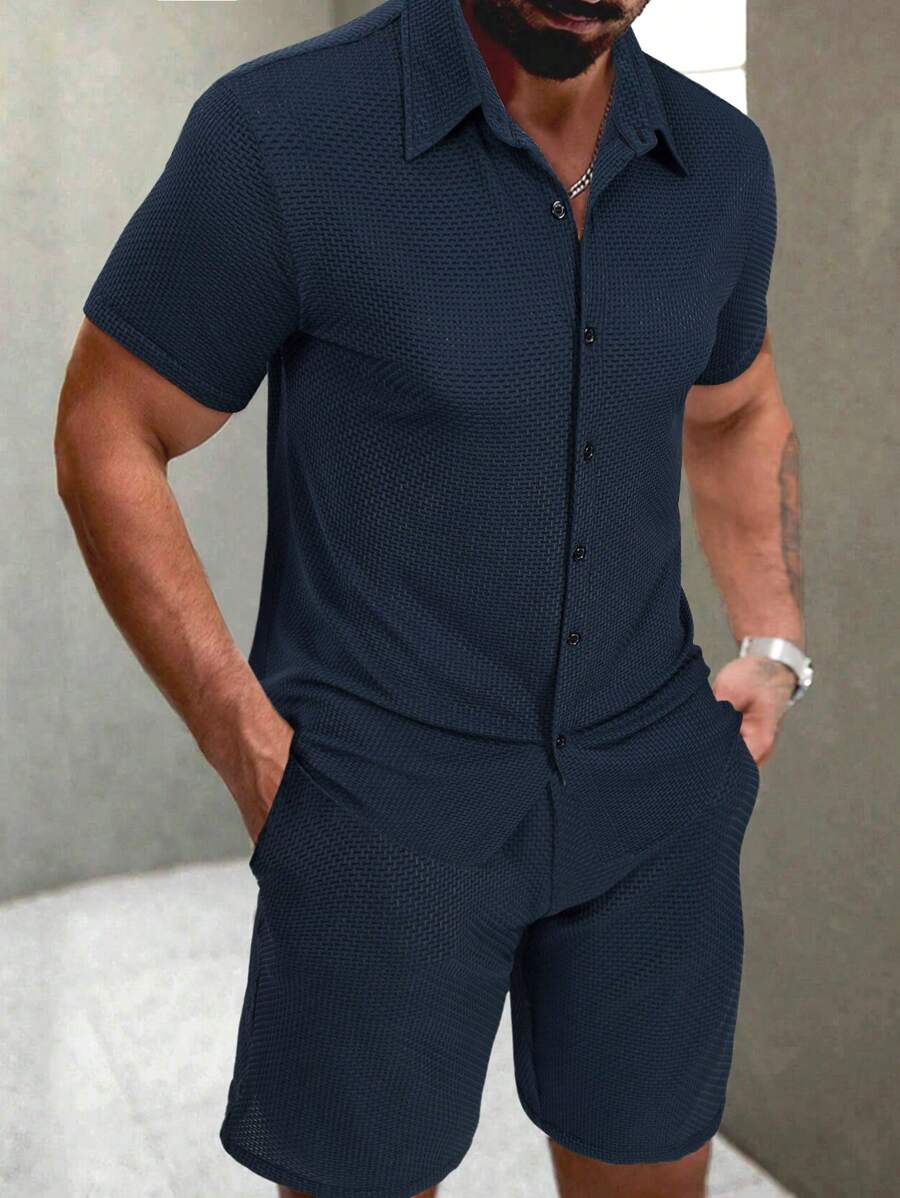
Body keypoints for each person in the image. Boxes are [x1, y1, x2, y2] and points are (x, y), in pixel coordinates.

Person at [55, 0, 813, 1195]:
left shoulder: (722, 164)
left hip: (653, 793)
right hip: (382, 810)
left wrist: (773, 637)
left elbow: (734, 409)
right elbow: (109, 428)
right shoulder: (282, 133)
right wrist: (244, 738)